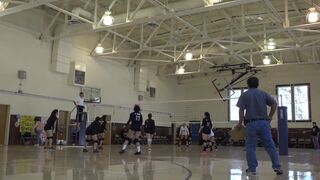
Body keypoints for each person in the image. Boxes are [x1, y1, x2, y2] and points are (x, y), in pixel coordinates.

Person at [236, 77, 283, 175]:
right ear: (258, 84)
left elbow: (241, 110)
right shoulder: (263, 93)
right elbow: (274, 104)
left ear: (247, 84)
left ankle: (252, 169)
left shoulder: (244, 95)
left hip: (251, 124)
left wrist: (240, 123)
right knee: (270, 145)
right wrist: (270, 117)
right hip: (264, 123)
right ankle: (277, 167)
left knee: (250, 147)